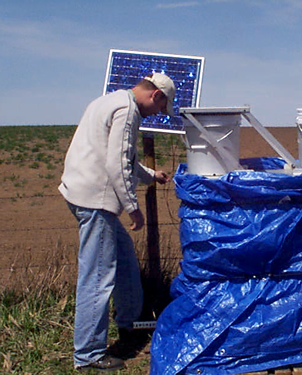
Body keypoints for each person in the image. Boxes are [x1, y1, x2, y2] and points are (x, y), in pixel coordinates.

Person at [59, 73, 176, 371]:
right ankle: (88, 354)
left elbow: (118, 155)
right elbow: (117, 162)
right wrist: (132, 207)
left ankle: (130, 322)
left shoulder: (109, 100)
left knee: (123, 260)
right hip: (96, 202)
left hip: (80, 192)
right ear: (156, 96)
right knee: (98, 276)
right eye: (161, 108)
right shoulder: (127, 111)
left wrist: (151, 175)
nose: (158, 114)